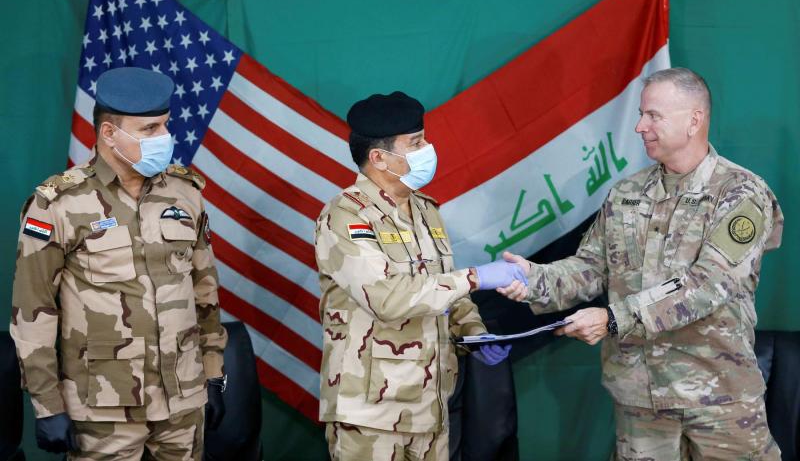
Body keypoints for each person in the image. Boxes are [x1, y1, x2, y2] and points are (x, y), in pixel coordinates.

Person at [499, 67, 783, 459]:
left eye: (653, 115)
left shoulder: (741, 193)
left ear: (694, 120)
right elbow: (593, 267)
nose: (639, 127)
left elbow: (708, 284)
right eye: (640, 115)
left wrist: (614, 319)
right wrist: (536, 279)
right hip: (641, 399)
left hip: (718, 397)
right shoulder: (627, 193)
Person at [10, 67, 227, 461]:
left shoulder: (185, 194)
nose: (164, 137)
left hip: (183, 396)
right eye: (148, 129)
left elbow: (204, 291)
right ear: (109, 133)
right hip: (105, 406)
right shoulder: (58, 204)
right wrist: (47, 405)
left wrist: (212, 375)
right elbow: (32, 310)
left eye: (164, 125)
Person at [315, 91, 524, 460]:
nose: (428, 148)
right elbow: (387, 298)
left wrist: (475, 334)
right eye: (416, 142)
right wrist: (475, 277)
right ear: (379, 157)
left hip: (431, 407)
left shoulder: (425, 210)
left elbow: (442, 289)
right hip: (371, 414)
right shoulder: (345, 216)